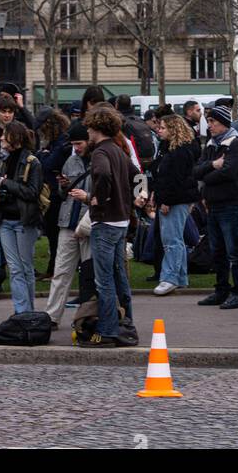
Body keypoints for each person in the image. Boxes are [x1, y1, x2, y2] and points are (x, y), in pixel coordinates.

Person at [72, 105, 137, 348]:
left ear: (97, 127)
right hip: (121, 221)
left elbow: (103, 175)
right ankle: (127, 323)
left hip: (105, 221)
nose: (87, 130)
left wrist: (95, 198)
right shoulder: (119, 151)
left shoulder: (100, 152)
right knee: (120, 277)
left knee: (104, 280)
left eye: (89, 126)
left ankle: (108, 330)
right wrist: (140, 196)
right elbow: (139, 174)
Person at [195, 105, 238, 310]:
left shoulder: (234, 143)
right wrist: (212, 165)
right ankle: (221, 289)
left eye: (213, 122)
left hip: (230, 203)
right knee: (218, 251)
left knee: (234, 250)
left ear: (223, 123)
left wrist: (208, 172)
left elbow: (228, 172)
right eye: (209, 122)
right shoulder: (210, 145)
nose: (210, 126)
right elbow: (196, 170)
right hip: (213, 204)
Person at [0, 120, 43, 315]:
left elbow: (32, 192)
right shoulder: (3, 161)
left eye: (5, 134)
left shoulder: (32, 162)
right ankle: (21, 312)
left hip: (24, 221)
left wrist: (7, 184)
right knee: (14, 268)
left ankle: (28, 311)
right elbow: (3, 187)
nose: (1, 137)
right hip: (5, 219)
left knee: (25, 267)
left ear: (16, 138)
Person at [46, 120, 92, 327]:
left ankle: (87, 316)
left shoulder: (100, 160)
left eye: (79, 143)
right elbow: (62, 193)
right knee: (61, 271)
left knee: (89, 273)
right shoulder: (70, 161)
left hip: (87, 222)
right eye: (73, 144)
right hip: (68, 221)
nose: (76, 148)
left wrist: (88, 197)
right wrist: (63, 187)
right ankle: (52, 316)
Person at [151, 114, 197, 296]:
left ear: (173, 129)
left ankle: (169, 277)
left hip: (175, 200)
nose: (159, 130)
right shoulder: (172, 149)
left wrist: (166, 201)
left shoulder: (179, 152)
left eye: (163, 127)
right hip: (175, 199)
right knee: (174, 239)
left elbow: (176, 180)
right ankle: (180, 277)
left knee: (171, 240)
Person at [35, 107, 71, 278]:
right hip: (54, 192)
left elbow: (47, 164)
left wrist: (43, 155)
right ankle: (53, 268)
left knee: (54, 234)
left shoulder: (60, 143)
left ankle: (54, 269)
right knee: (53, 235)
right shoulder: (60, 142)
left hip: (55, 194)